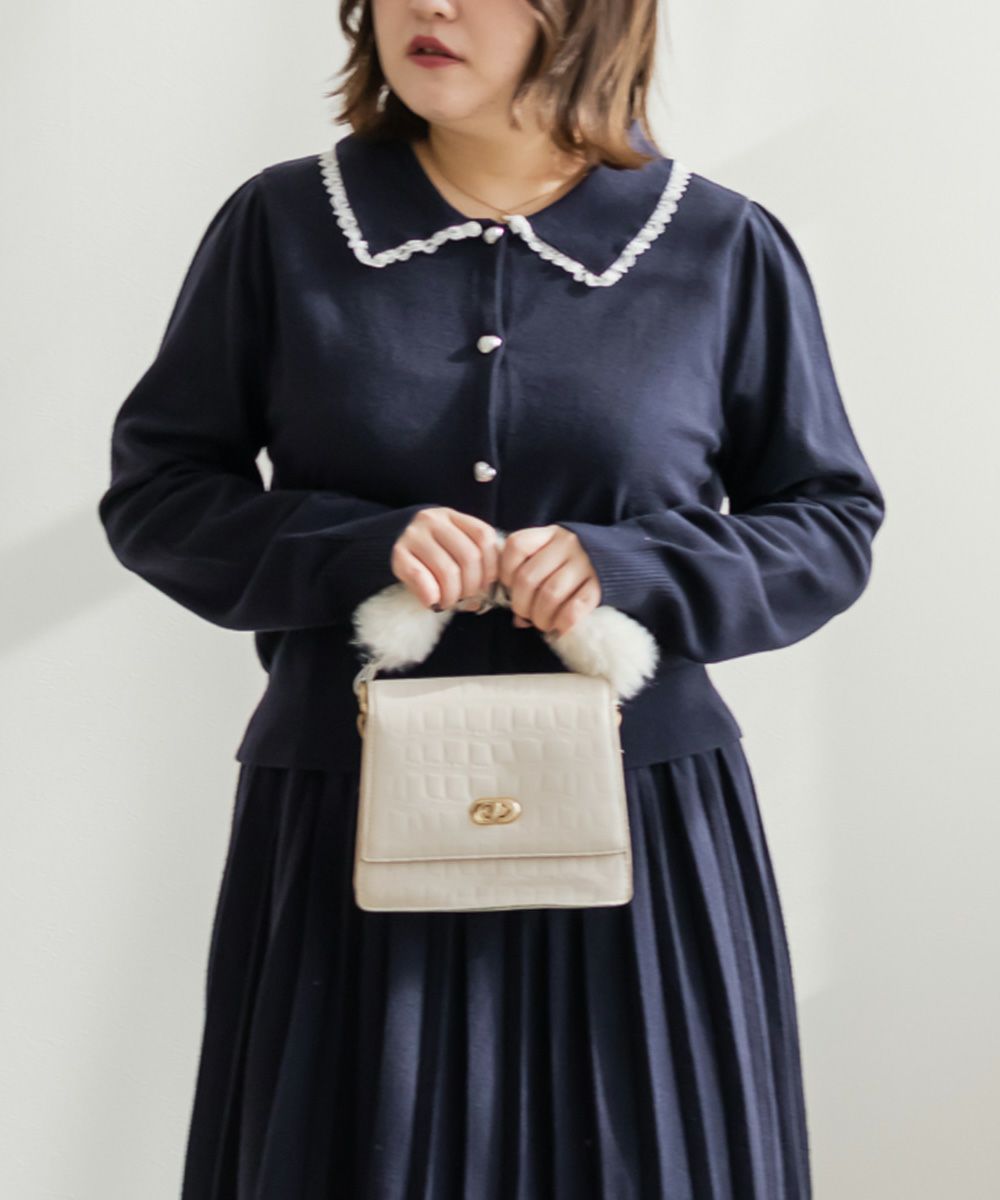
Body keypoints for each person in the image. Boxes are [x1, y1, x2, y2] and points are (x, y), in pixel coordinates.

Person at [97, 0, 886, 1196]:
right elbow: (160, 495)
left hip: (642, 838)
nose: (431, 5)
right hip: (349, 822)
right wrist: (362, 546)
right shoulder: (282, 226)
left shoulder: (719, 246)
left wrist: (630, 566)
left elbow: (826, 523)